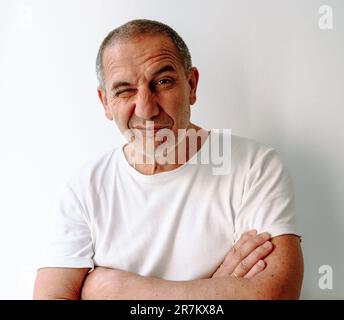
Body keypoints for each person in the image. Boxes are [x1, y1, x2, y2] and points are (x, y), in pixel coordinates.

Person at [33, 19, 304, 299]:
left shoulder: (254, 167)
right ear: (105, 103)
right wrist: (216, 289)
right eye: (124, 90)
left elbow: (277, 294)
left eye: (162, 82)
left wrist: (116, 289)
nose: (147, 109)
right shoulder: (85, 189)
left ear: (191, 85)